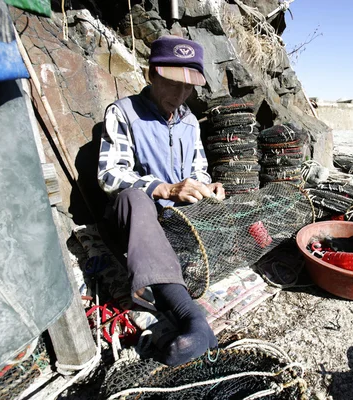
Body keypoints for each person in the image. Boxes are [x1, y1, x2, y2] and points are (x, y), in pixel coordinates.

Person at [97, 35, 225, 366]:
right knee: (134, 198)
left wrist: (208, 188)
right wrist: (164, 189)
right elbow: (109, 174)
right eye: (172, 82)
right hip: (135, 218)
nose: (180, 95)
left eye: (188, 87)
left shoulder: (190, 122)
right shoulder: (123, 113)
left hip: (175, 219)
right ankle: (191, 318)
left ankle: (187, 314)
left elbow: (199, 172)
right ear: (151, 74)